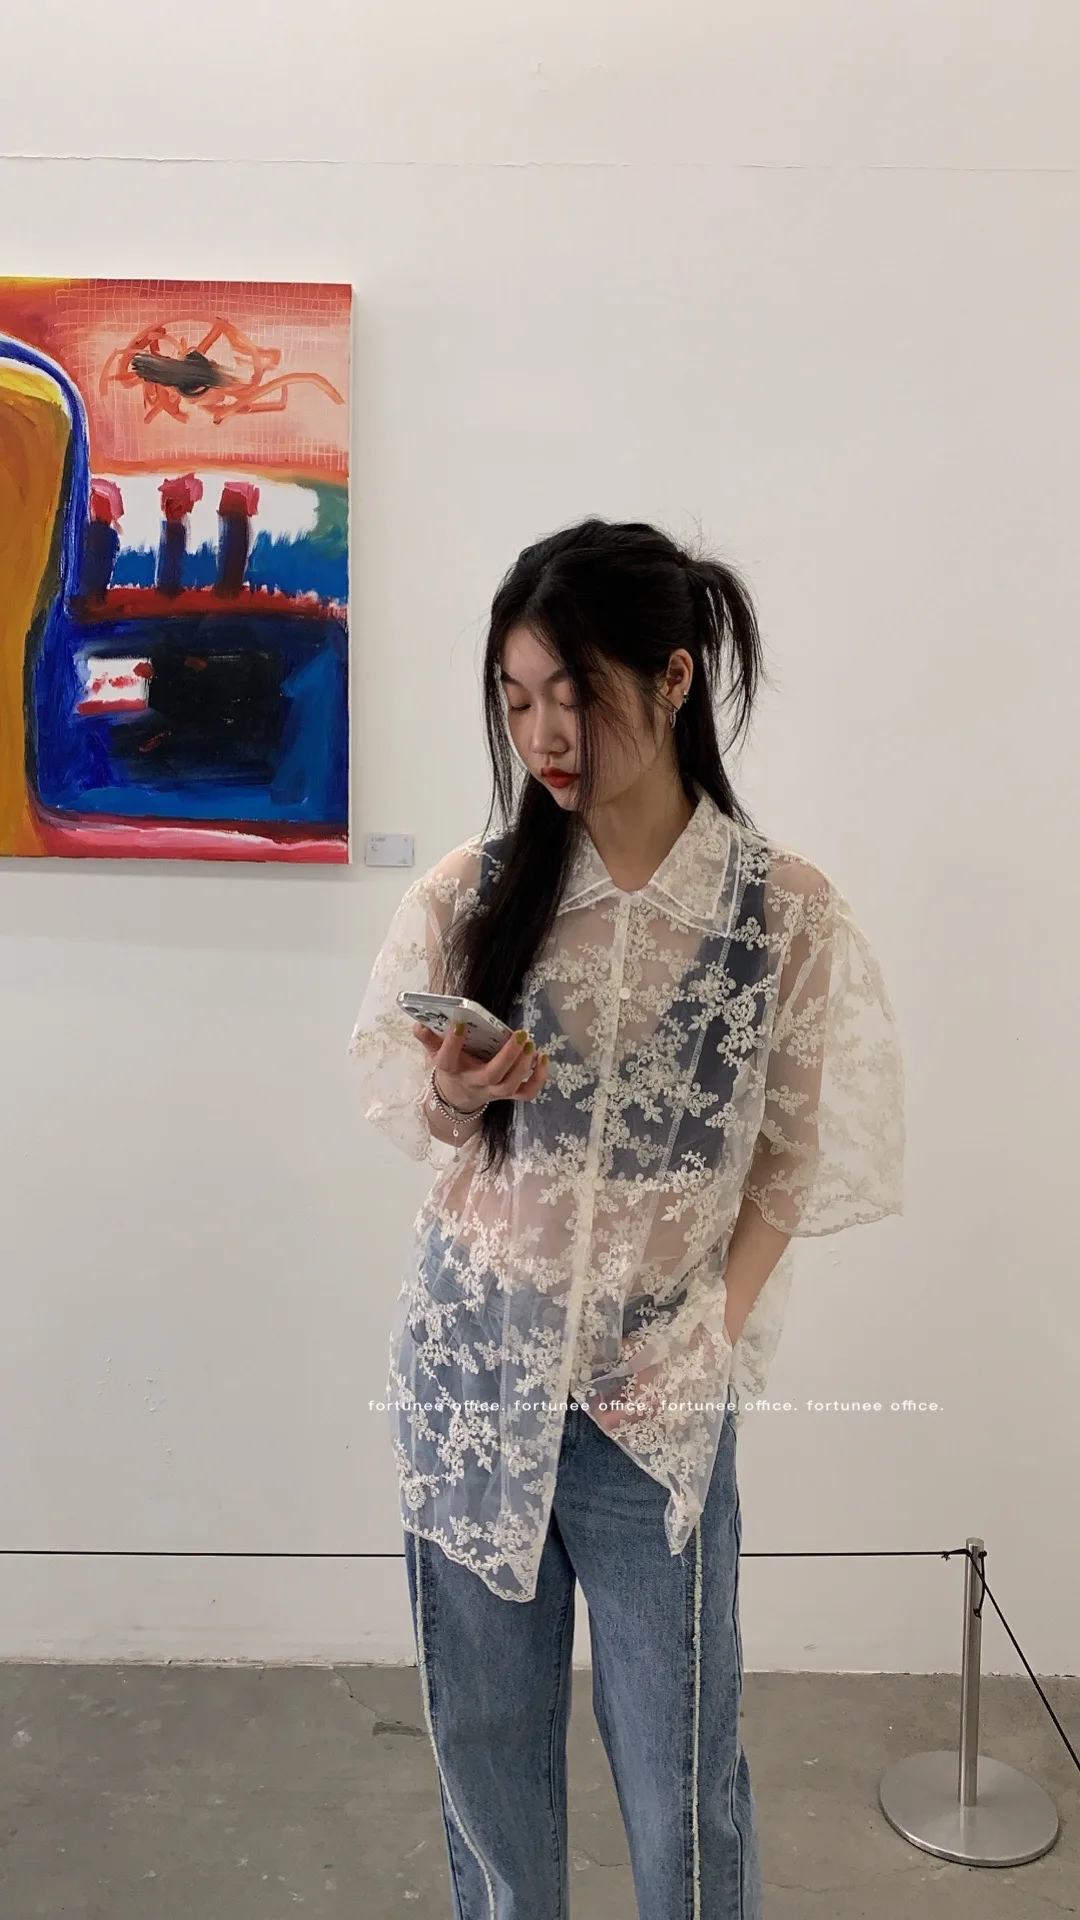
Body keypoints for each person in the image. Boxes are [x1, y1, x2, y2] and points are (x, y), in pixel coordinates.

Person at [347, 517, 905, 1920]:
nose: (544, 734)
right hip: (475, 1377)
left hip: (652, 1403)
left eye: (574, 694)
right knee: (486, 1764)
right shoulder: (475, 894)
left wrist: (710, 1338)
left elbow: (785, 1167)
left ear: (672, 677)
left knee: (684, 1781)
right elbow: (416, 1113)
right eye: (516, 699)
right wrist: (459, 1089)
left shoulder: (785, 917)